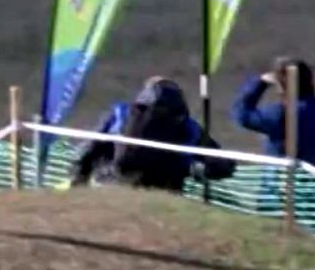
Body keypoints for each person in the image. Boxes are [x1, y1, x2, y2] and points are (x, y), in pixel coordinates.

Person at [72, 78, 236, 191]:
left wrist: (78, 179)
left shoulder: (120, 113)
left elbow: (88, 149)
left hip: (111, 184)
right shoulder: (189, 127)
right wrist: (198, 170)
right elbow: (223, 164)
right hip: (164, 192)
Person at [233, 59, 315, 169]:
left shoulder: (279, 114)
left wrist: (259, 83)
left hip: (281, 184)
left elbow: (242, 114)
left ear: (281, 87)